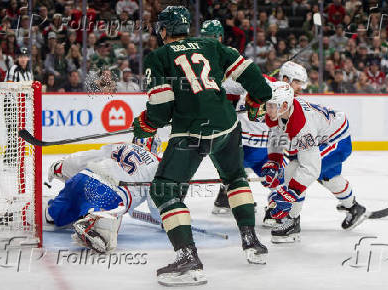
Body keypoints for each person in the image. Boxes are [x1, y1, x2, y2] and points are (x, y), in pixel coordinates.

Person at [132, 6, 271, 286]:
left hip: (191, 132)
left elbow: (160, 109)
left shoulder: (158, 57)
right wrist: (257, 101)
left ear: (164, 30)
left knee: (164, 189)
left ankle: (188, 258)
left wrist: (145, 123)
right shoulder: (212, 45)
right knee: (235, 179)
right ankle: (251, 242)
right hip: (227, 126)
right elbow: (255, 78)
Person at [260, 80, 367, 243]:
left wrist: (289, 195)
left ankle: (291, 222)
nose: (269, 109)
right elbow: (277, 134)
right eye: (268, 104)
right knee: (327, 177)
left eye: (273, 105)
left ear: (284, 106)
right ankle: (354, 207)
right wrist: (274, 161)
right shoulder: (280, 113)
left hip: (336, 140)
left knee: (297, 172)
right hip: (324, 133)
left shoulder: (302, 126)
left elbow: (310, 169)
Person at [200, 19, 270, 215]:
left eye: (212, 37)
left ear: (220, 37)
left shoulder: (228, 55)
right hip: (216, 114)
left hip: (228, 113)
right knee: (232, 158)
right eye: (206, 37)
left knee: (236, 157)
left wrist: (254, 83)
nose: (209, 41)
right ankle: (231, 197)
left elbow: (241, 81)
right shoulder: (203, 55)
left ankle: (226, 197)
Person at [46, 142, 160, 253]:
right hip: (108, 194)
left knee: (51, 218)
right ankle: (91, 221)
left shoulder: (122, 145)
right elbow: (156, 204)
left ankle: (53, 212)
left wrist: (62, 166)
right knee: (106, 241)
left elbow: (88, 157)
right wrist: (166, 220)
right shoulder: (158, 166)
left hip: (82, 178)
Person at [3, 47, 33, 168]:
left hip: (21, 105)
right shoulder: (13, 69)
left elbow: (30, 89)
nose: (22, 59)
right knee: (12, 132)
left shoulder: (29, 73)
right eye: (20, 56)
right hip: (11, 103)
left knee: (19, 132)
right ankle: (9, 160)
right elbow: (9, 85)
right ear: (18, 58)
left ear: (28, 58)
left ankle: (13, 159)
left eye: (25, 56)